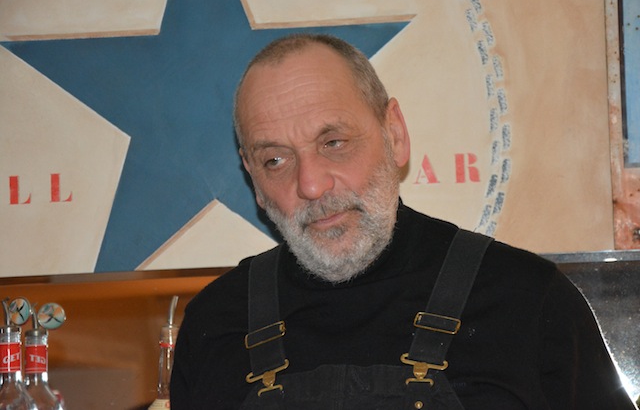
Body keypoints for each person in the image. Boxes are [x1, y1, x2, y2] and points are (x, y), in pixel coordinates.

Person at [170, 33, 635, 409]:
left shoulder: (527, 300)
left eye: (333, 143)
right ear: (252, 176)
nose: (310, 184)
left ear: (394, 133)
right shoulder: (216, 322)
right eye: (275, 159)